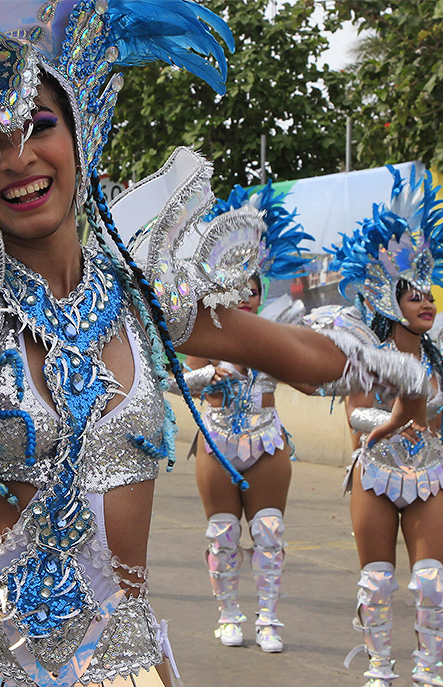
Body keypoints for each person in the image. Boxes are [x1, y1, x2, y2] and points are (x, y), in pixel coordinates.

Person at [0, 4, 431, 684]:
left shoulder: (146, 297)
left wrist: (388, 362)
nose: (18, 157)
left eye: (39, 126)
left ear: (81, 129)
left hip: (121, 661)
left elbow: (300, 358)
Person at [324, 168, 443, 687]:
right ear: (390, 302)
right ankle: (380, 667)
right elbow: (356, 418)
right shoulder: (369, 356)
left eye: (430, 294)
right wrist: (389, 421)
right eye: (415, 295)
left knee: (431, 582)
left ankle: (429, 669)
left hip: (427, 474)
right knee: (377, 582)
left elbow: (439, 408)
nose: (428, 302)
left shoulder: (435, 356)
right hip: (377, 474)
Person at [173, 185, 312, 653]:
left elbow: (312, 380)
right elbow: (173, 381)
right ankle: (229, 614)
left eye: (255, 287)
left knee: (270, 532)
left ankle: (269, 618)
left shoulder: (278, 330)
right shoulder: (206, 333)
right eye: (240, 287)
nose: (249, 295)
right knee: (223, 535)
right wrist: (215, 370)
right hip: (216, 442)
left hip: (268, 441)